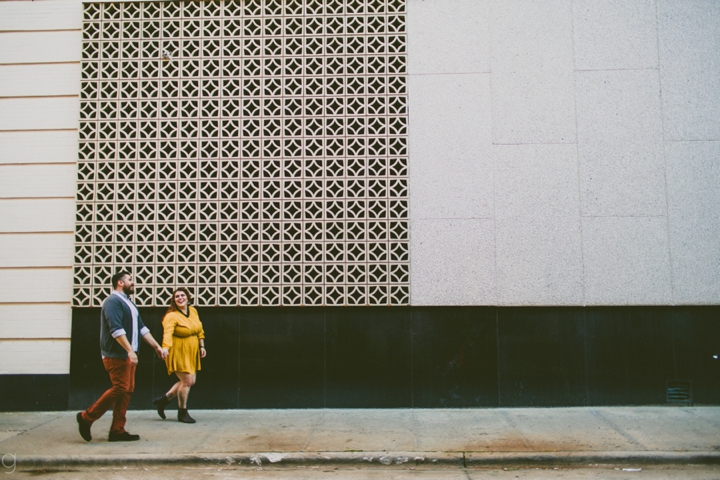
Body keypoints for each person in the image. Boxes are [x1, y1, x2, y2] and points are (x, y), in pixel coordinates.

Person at [76, 271, 166, 442]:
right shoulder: (112, 302)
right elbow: (116, 329)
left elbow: (142, 328)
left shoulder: (129, 304)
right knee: (121, 387)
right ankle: (86, 417)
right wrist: (130, 351)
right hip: (116, 354)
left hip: (129, 355)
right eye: (130, 279)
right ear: (120, 282)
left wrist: (156, 347)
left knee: (127, 390)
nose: (133, 282)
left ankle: (117, 430)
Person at [152, 287, 206, 423]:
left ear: (188, 298)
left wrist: (202, 345)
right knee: (187, 381)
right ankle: (182, 412)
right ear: (174, 300)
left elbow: (200, 330)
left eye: (183, 295)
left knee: (190, 381)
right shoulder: (171, 316)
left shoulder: (193, 311)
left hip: (192, 350)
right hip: (178, 351)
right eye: (177, 296)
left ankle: (164, 400)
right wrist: (165, 348)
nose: (180, 298)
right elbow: (167, 333)